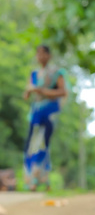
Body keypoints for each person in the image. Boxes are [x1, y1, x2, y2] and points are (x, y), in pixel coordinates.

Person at [23, 45, 67, 191]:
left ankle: (40, 179)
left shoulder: (56, 72)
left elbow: (63, 92)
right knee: (32, 144)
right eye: (38, 53)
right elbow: (26, 95)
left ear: (49, 55)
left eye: (43, 53)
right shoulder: (34, 74)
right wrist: (30, 91)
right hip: (36, 112)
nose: (40, 56)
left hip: (49, 111)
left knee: (43, 143)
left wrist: (42, 91)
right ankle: (32, 179)